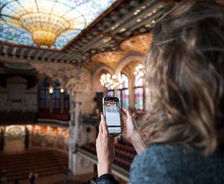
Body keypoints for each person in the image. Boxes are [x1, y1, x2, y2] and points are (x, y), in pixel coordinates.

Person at [96, 0, 224, 183]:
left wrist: (104, 169)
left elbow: (163, 170)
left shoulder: (163, 165)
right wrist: (135, 138)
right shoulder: (160, 163)